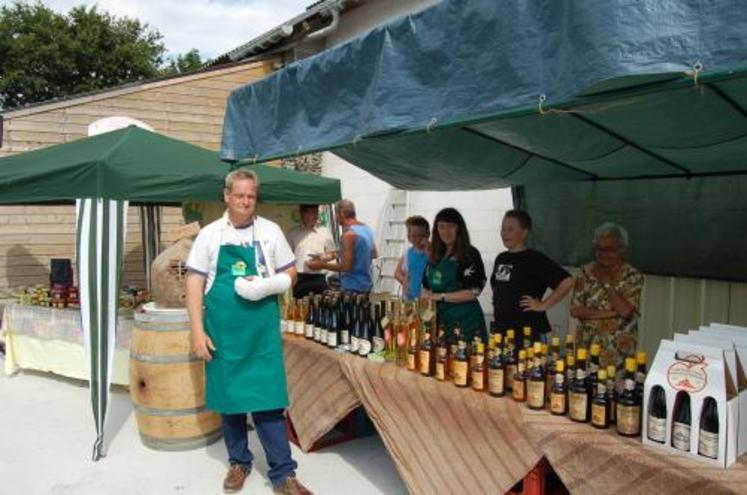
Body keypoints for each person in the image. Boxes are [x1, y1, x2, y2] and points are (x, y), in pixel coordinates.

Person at [185, 169, 312, 495]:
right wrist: (197, 332)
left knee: (269, 403)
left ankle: (284, 475)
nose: (245, 201)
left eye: (251, 196)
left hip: (260, 336)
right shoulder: (210, 235)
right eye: (239, 195)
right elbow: (194, 282)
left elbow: (291, 273)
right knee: (231, 404)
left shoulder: (270, 232)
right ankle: (239, 462)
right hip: (224, 333)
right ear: (227, 196)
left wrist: (268, 286)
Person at [490, 210, 574, 348]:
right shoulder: (501, 258)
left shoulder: (534, 259)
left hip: (528, 332)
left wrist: (543, 305)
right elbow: (497, 286)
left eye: (510, 229)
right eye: (503, 229)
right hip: (503, 331)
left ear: (524, 233)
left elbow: (567, 281)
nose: (505, 233)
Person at [570, 222, 644, 368]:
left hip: (619, 355)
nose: (603, 254)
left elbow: (625, 311)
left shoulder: (632, 275)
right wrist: (611, 313)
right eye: (599, 248)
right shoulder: (586, 271)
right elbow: (576, 310)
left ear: (622, 249)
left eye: (610, 249)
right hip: (587, 351)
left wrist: (606, 284)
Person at [421, 207, 487, 342]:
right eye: (441, 227)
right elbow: (427, 286)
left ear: (459, 229)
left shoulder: (469, 254)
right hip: (442, 322)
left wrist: (439, 296)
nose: (446, 231)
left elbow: (473, 292)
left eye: (451, 226)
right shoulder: (435, 255)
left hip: (466, 323)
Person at [307, 199, 377, 293]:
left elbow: (346, 267)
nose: (336, 218)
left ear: (342, 213)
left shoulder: (348, 235)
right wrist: (334, 254)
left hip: (353, 287)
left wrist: (322, 265)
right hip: (367, 284)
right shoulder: (366, 228)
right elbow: (373, 253)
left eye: (336, 214)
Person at [286, 204, 336, 298]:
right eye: (312, 213)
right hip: (300, 279)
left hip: (319, 278)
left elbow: (334, 253)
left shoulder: (325, 232)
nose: (316, 216)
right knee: (300, 309)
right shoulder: (292, 233)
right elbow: (287, 258)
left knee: (321, 308)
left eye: (316, 212)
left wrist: (325, 257)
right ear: (302, 214)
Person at [394, 215, 430, 300]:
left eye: (421, 235)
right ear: (408, 236)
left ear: (428, 234)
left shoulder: (433, 251)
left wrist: (428, 250)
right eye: (414, 236)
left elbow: (436, 265)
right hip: (409, 299)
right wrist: (404, 281)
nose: (417, 239)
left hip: (427, 299)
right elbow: (397, 273)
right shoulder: (408, 253)